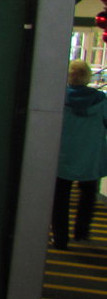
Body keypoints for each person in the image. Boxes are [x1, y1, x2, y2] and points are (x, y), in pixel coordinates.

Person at [52, 59, 107, 249]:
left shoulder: (59, 98)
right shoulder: (100, 100)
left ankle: (60, 238)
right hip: (90, 158)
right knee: (88, 196)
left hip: (63, 157)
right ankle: (82, 232)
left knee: (60, 198)